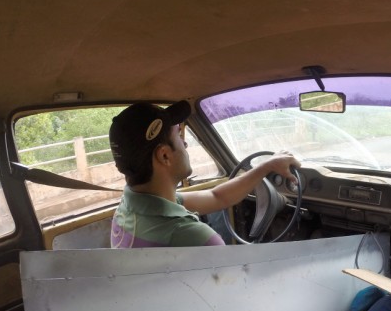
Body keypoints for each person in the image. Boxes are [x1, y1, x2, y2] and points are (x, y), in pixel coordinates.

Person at [108, 100, 300, 248]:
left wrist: (266, 166)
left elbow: (217, 197)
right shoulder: (193, 237)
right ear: (165, 155)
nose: (185, 144)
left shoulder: (128, 208)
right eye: (179, 135)